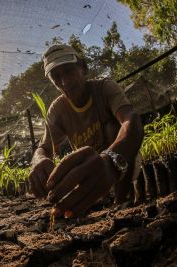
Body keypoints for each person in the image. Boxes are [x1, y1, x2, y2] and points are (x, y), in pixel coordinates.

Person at [29, 44, 144, 218]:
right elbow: (43, 147)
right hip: (88, 172)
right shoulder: (58, 110)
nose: (65, 81)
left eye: (69, 71)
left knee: (113, 127)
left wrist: (110, 161)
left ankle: (121, 202)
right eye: (56, 76)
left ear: (83, 68)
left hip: (121, 161)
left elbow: (131, 121)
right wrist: (40, 160)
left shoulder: (104, 88)